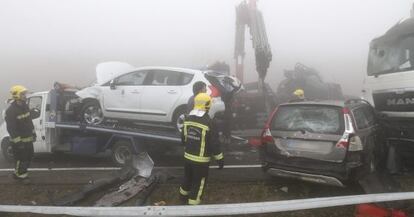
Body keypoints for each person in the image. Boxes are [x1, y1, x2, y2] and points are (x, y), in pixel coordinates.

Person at [179, 93, 224, 205]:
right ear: (207, 105)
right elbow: (214, 144)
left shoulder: (187, 119)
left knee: (187, 178)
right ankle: (193, 208)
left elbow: (184, 139)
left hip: (187, 157)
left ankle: (182, 199)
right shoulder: (210, 122)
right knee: (198, 183)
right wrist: (220, 159)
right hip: (201, 161)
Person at [5, 85, 36, 183]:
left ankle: (18, 173)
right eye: (22, 94)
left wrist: (33, 133)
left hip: (28, 138)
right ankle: (20, 176)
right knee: (21, 159)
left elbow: (29, 121)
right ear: (16, 95)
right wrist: (18, 142)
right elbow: (11, 128)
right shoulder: (11, 111)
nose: (25, 96)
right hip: (19, 141)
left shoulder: (25, 106)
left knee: (29, 156)